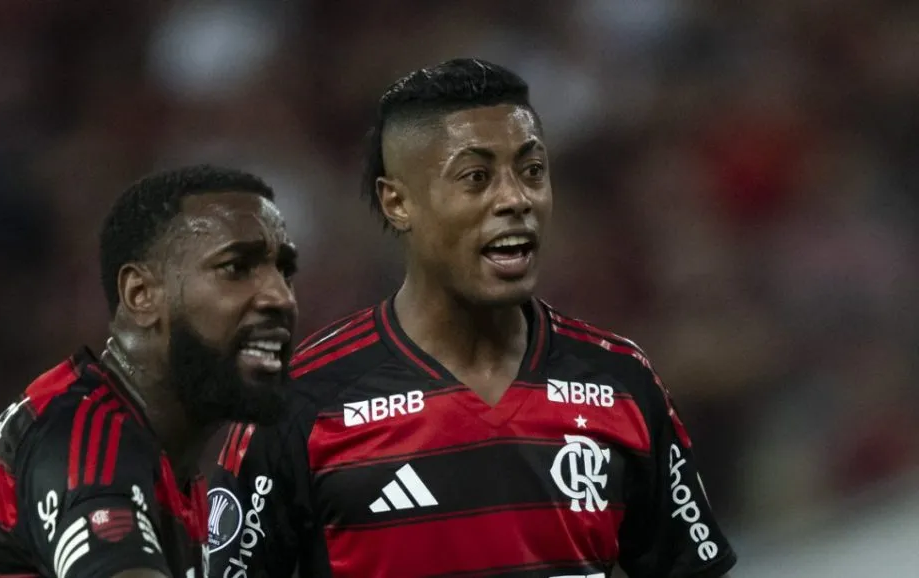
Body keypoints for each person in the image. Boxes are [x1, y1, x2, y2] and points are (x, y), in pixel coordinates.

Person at [208, 59, 737, 578]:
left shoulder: (621, 382)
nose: (515, 199)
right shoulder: (300, 404)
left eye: (532, 171)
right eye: (476, 177)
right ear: (397, 203)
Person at [0, 164, 299, 578]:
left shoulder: (172, 472)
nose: (281, 297)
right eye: (236, 268)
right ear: (141, 295)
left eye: (284, 271)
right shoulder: (83, 438)